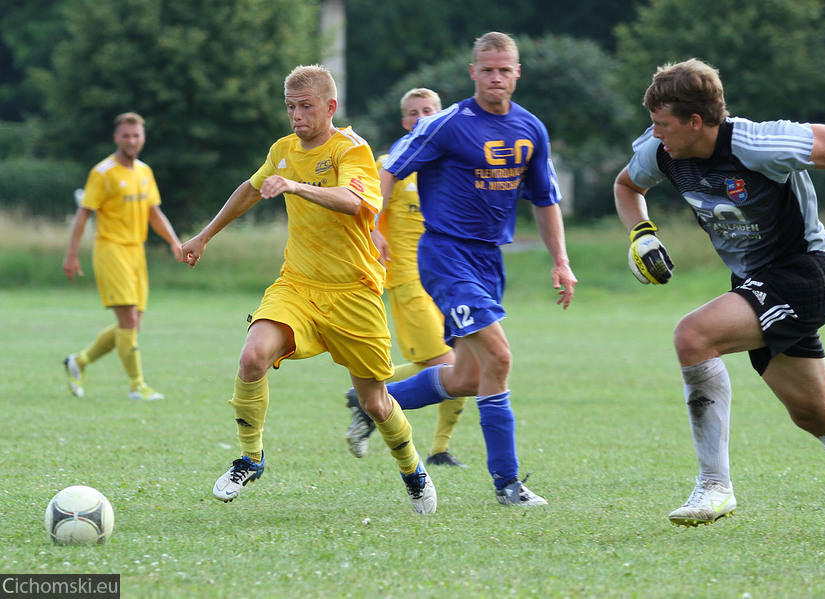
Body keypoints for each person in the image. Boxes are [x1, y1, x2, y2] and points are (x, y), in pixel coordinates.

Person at [614, 58, 825, 535]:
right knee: (815, 412)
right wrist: (641, 234)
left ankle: (713, 484)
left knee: (693, 337)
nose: (654, 134)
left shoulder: (758, 143)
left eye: (662, 124)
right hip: (753, 285)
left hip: (805, 272)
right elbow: (627, 185)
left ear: (697, 122)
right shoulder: (661, 150)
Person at [180, 65, 437, 515]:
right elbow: (250, 188)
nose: (296, 116)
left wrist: (296, 186)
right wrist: (204, 235)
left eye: (306, 107)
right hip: (298, 285)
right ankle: (250, 458)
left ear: (330, 107)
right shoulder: (282, 150)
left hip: (354, 294)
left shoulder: (352, 150)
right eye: (290, 107)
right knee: (252, 356)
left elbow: (355, 201)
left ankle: (412, 468)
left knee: (375, 402)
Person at [352, 32, 577, 507]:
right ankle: (508, 484)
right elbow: (389, 170)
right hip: (445, 255)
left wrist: (561, 260)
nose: (496, 76)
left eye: (505, 69)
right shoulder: (447, 124)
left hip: (488, 261)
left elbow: (545, 199)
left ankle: (372, 401)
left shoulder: (530, 128)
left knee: (467, 379)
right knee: (500, 358)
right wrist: (372, 223)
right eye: (487, 69)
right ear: (473, 73)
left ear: (517, 74)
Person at [344, 87, 469, 468]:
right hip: (406, 278)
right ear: (404, 121)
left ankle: (439, 450)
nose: (420, 117)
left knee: (467, 360)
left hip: (444, 279)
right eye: (413, 112)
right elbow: (367, 207)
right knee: (449, 363)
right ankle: (367, 395)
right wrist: (374, 232)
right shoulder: (393, 161)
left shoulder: (445, 163)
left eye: (427, 111)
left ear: (439, 115)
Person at [63, 112, 182, 401]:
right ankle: (136, 386)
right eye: (126, 135)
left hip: (136, 251)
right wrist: (71, 255)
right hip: (111, 249)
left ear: (143, 138)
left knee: (132, 324)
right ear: (116, 138)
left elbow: (155, 213)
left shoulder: (144, 172)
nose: (131, 140)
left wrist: (175, 243)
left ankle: (78, 362)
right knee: (128, 319)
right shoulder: (103, 172)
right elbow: (83, 214)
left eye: (136, 135)